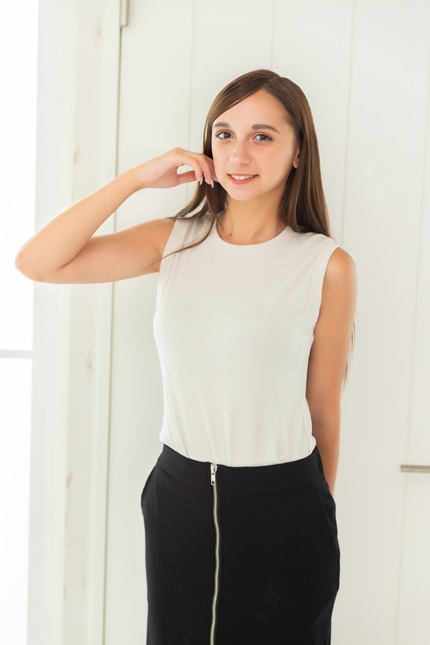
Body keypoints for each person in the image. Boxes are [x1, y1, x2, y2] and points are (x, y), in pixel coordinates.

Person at [16, 69, 357, 644]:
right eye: (224, 134)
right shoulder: (175, 241)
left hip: (288, 503)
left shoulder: (326, 265)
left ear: (299, 151)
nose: (239, 153)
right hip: (181, 497)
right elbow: (38, 262)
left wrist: (315, 511)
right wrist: (135, 180)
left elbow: (323, 413)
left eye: (263, 136)